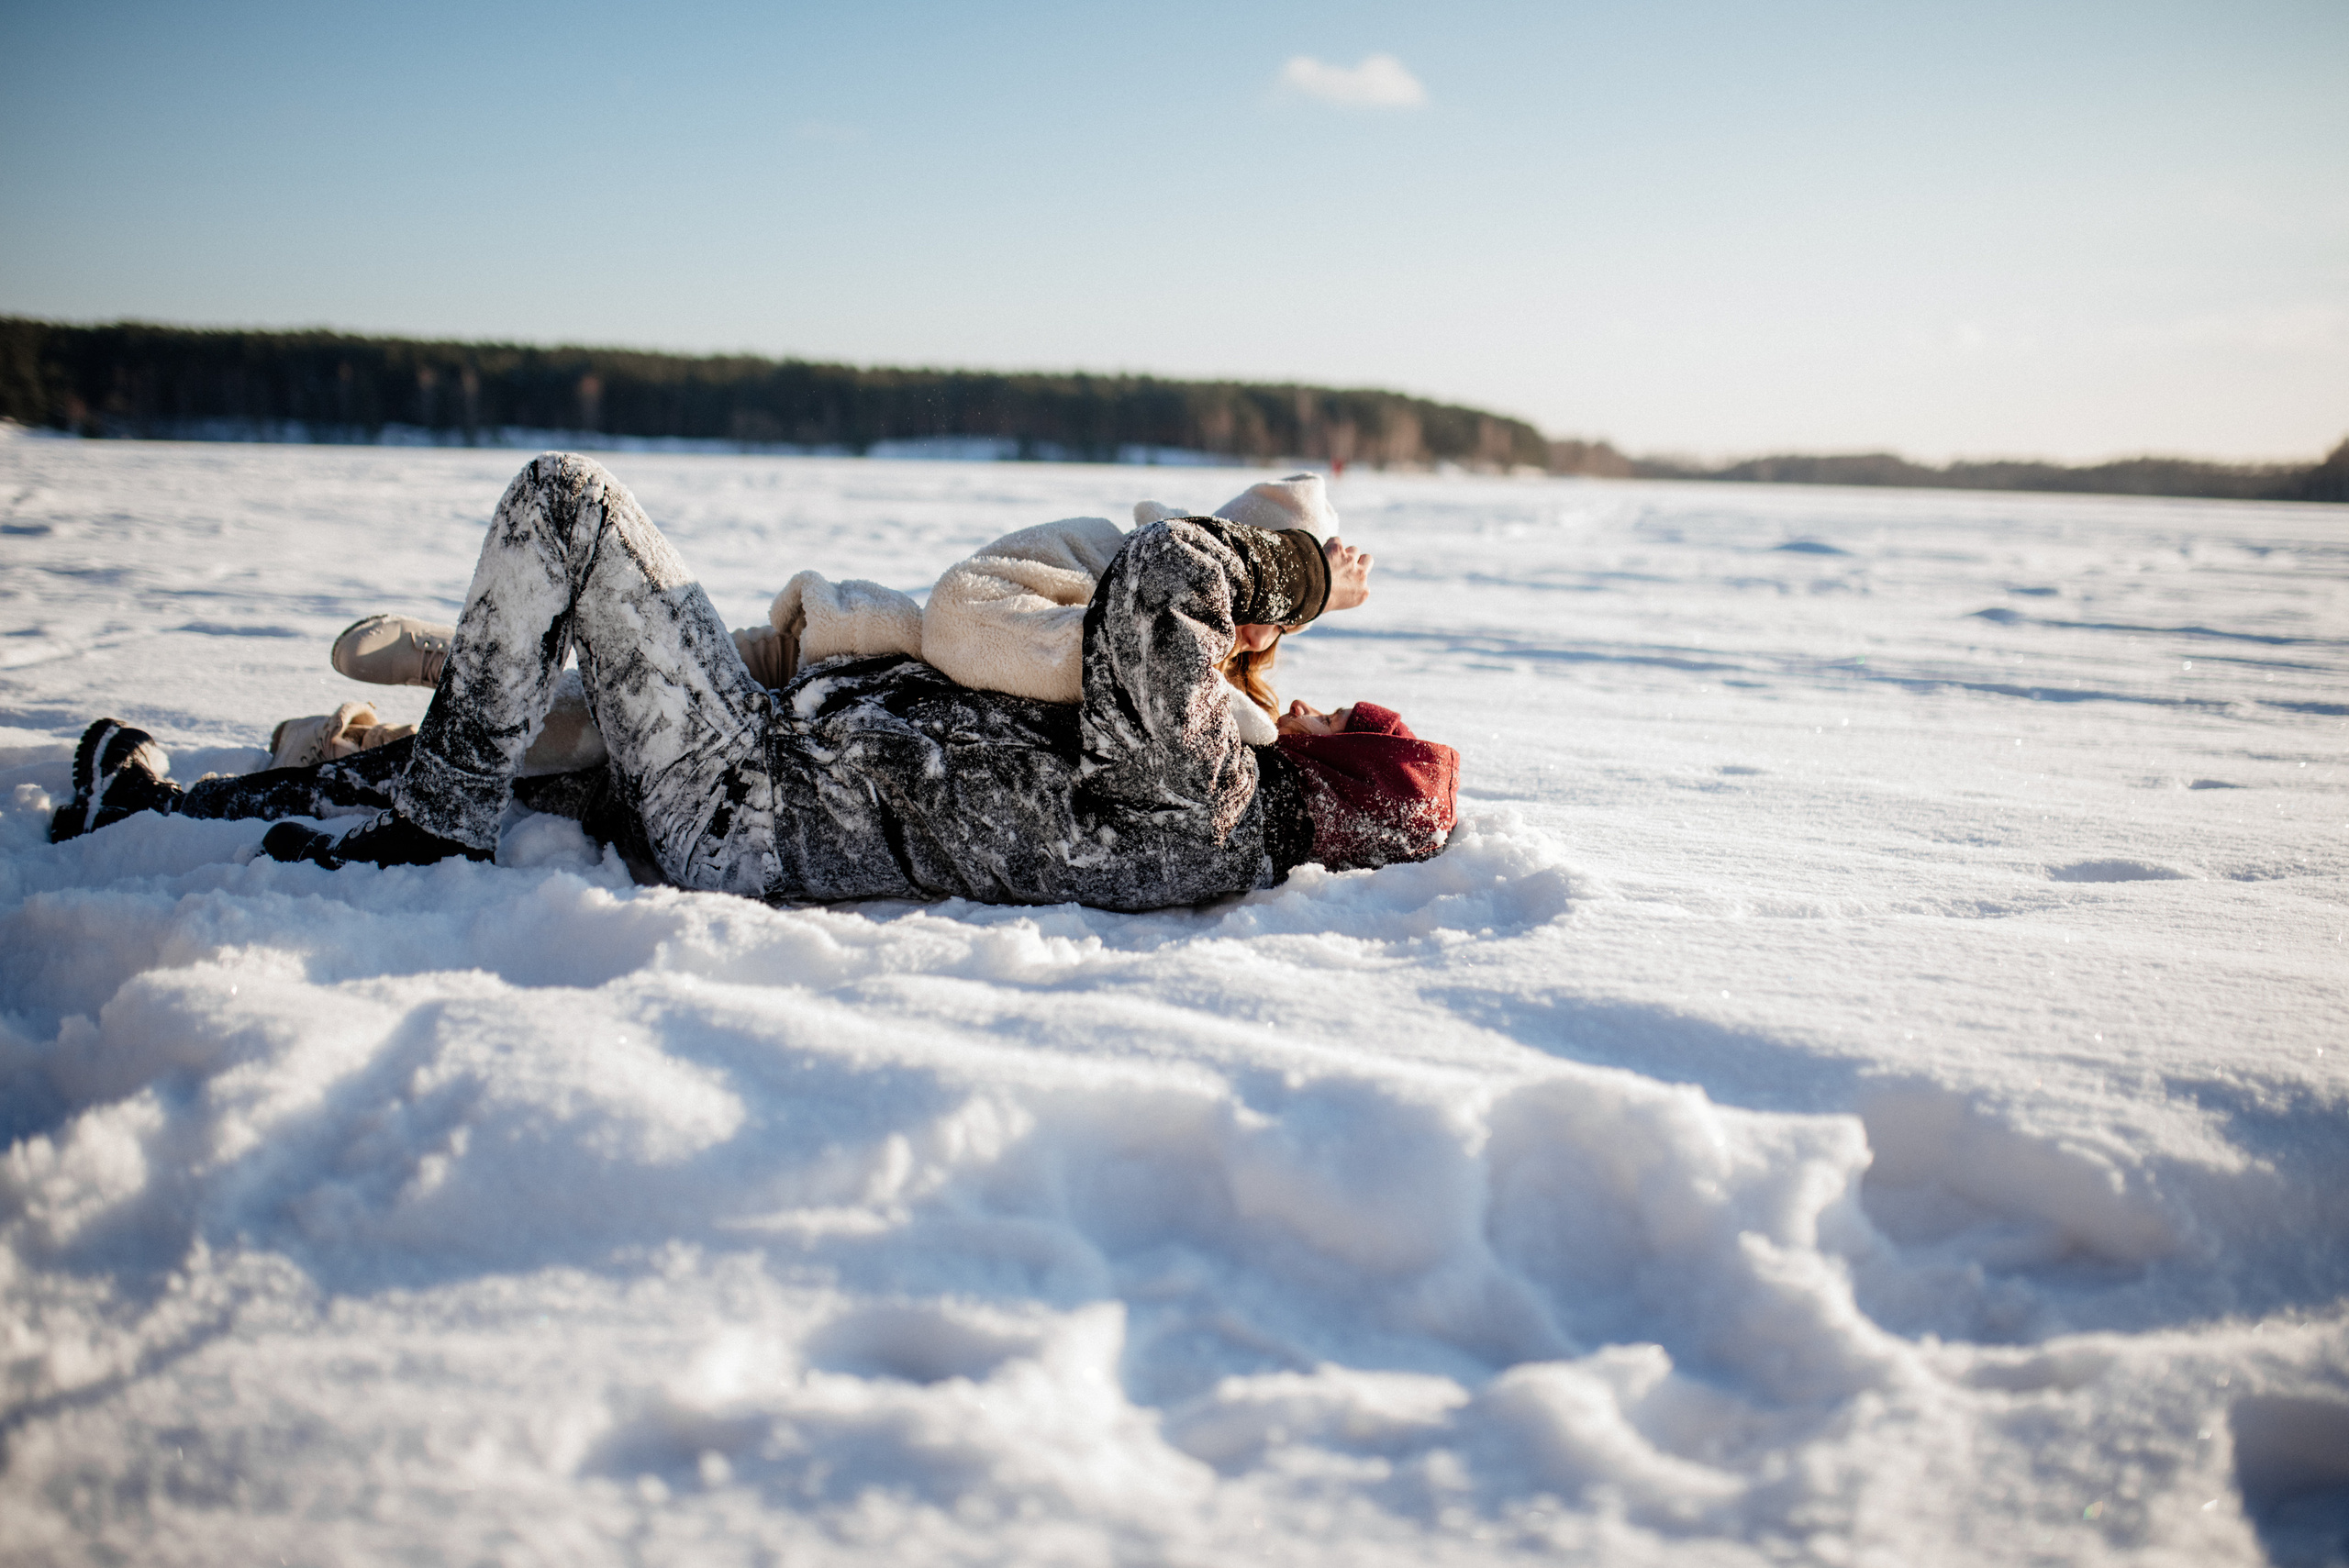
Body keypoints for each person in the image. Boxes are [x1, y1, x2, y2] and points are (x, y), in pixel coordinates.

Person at [50, 454, 1459, 913]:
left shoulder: (1211, 801)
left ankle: (436, 825)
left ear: (1339, 772)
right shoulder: (1206, 789)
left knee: (568, 505)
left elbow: (1162, 580)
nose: (1315, 703)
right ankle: (154, 815)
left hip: (751, 805)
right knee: (515, 747)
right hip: (769, 759)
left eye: (1342, 721)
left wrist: (1304, 575)